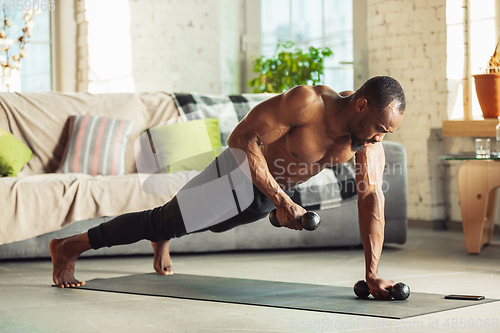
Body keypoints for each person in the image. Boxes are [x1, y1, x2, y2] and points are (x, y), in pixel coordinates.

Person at [50, 76, 405, 300]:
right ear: (361, 105)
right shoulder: (308, 103)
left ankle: (171, 229)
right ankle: (70, 246)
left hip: (268, 197)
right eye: (379, 127)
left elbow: (372, 197)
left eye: (385, 133)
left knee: (214, 225)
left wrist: (371, 273)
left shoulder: (366, 143)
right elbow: (241, 139)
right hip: (238, 174)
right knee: (160, 222)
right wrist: (282, 200)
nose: (379, 138)